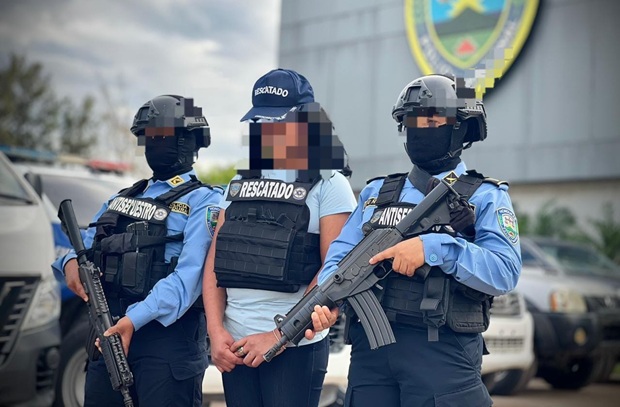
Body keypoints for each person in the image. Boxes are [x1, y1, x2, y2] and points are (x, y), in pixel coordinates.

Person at [308, 74, 522, 407]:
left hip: (441, 352)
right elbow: (340, 257)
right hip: (371, 354)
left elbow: (505, 271)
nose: (420, 129)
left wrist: (433, 248)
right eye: (412, 121)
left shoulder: (485, 196)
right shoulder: (377, 192)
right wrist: (328, 299)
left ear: (460, 128)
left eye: (432, 120)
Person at [53, 95, 223, 407]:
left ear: (188, 141)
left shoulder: (205, 201)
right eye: (149, 136)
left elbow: (189, 278)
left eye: (163, 135)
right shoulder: (122, 198)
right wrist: (68, 263)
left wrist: (133, 320)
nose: (154, 143)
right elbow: (86, 246)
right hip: (109, 334)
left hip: (166, 344)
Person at [202, 68, 357, 407]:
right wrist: (215, 332)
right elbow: (215, 260)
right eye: (260, 121)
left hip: (294, 347)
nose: (267, 129)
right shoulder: (240, 182)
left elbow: (335, 270)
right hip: (234, 346)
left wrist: (277, 336)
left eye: (277, 120)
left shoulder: (330, 183)